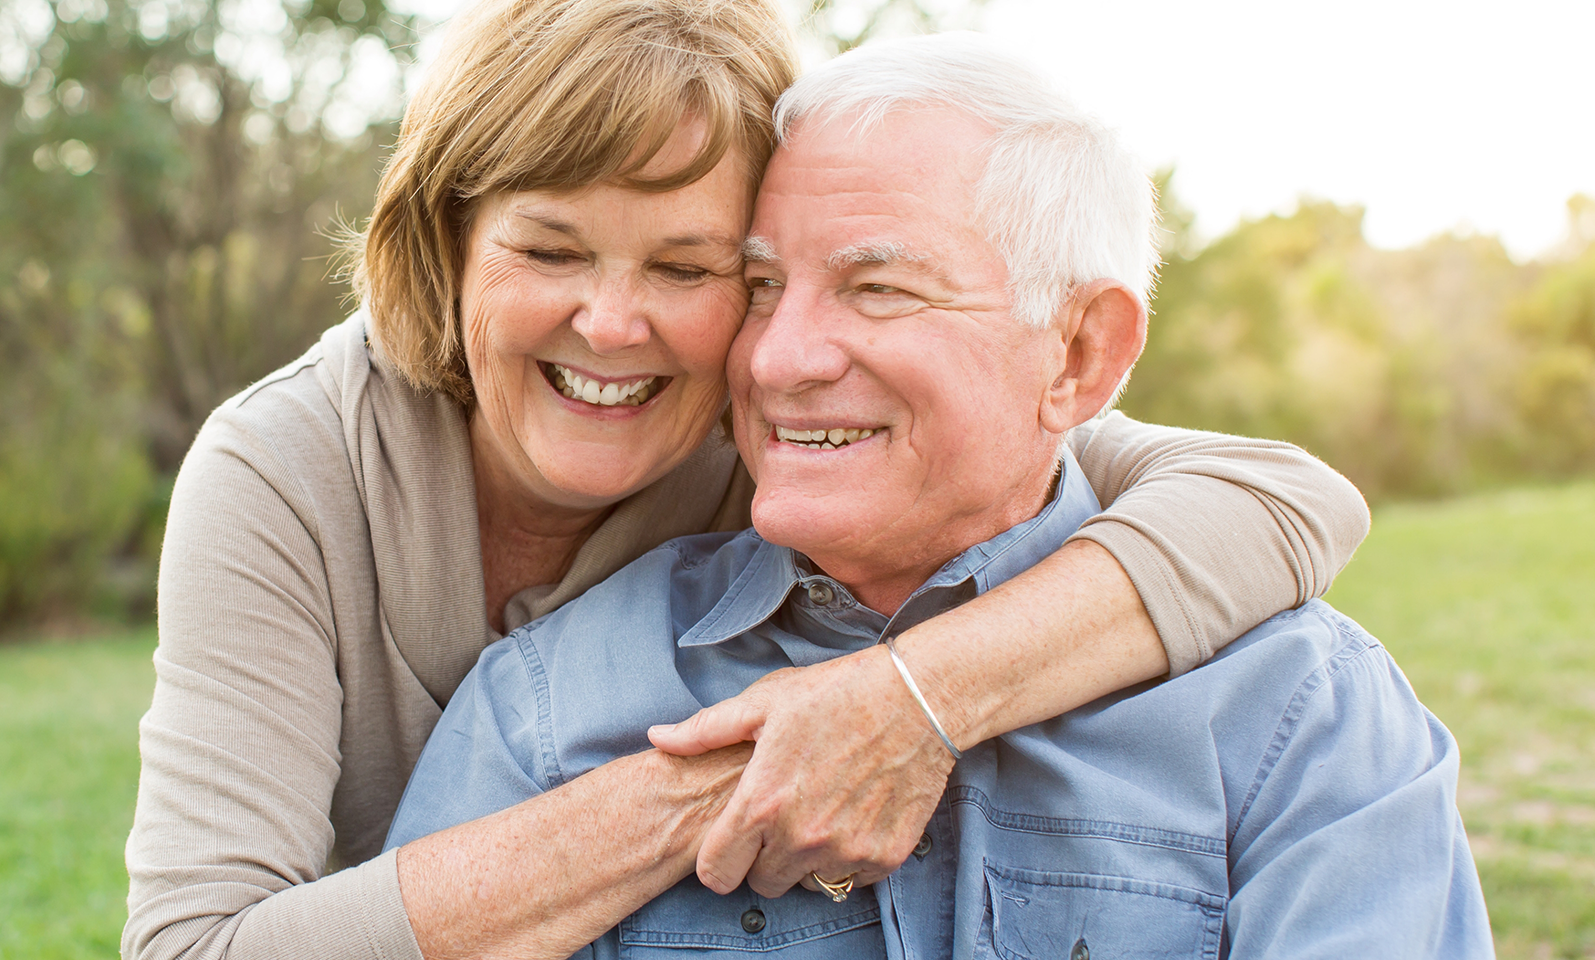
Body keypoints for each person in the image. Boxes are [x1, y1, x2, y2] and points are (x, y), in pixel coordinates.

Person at [122, 1, 1374, 957]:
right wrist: (739, 777)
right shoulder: (286, 468)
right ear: (446, 250)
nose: (613, 326)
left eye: (693, 268)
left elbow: (1284, 503)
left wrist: (907, 700)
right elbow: (193, 944)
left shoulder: (784, 417)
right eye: (550, 248)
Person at [385, 33, 1491, 958]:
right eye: (762, 286)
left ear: (1079, 357)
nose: (778, 359)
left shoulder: (1299, 715)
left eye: (877, 288)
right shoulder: (549, 705)